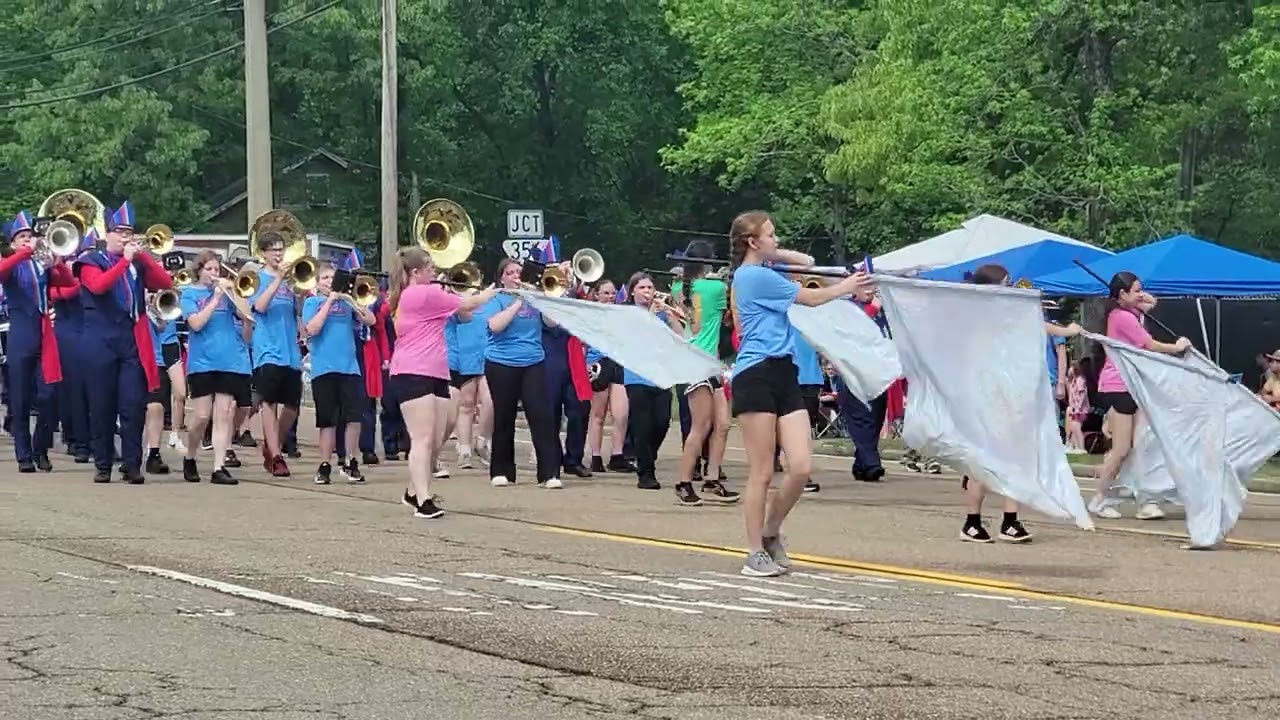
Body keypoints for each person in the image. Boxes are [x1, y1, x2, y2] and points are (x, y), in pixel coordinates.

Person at [728, 210, 873, 577]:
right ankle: (753, 552)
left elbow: (806, 262)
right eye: (771, 235)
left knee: (802, 467)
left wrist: (773, 251)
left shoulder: (766, 269)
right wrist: (847, 287)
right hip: (756, 374)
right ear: (752, 242)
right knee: (761, 471)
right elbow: (809, 299)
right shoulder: (752, 277)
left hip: (784, 371)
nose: (777, 240)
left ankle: (771, 530)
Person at [957, 264, 1081, 543]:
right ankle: (972, 522)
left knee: (1014, 458)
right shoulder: (986, 315)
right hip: (990, 395)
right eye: (1006, 282)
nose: (1012, 286)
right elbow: (1036, 326)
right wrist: (1067, 330)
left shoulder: (996, 312)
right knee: (984, 460)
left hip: (1009, 392)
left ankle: (1009, 521)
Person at [388, 247, 498, 518]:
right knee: (422, 438)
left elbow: (464, 317)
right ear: (416, 272)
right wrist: (488, 294)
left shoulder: (428, 295)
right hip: (413, 371)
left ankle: (413, 490)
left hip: (436, 371)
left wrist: (468, 297)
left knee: (436, 438)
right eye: (430, 268)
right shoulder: (419, 293)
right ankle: (423, 501)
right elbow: (468, 306)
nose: (435, 272)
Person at [75, 202, 173, 484]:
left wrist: (144, 259)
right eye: (119, 232)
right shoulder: (91, 260)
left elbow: (164, 281)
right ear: (108, 234)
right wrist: (125, 262)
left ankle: (133, 464)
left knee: (132, 405)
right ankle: (103, 463)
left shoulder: (135, 265)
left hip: (129, 340)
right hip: (99, 339)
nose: (125, 237)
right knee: (102, 405)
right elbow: (98, 286)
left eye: (129, 232)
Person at [1088, 271, 1191, 521]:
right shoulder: (1122, 317)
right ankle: (1099, 499)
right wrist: (1177, 348)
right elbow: (1149, 344)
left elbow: (1150, 304)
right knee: (1122, 448)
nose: (1141, 294)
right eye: (1136, 290)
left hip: (1128, 386)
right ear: (1122, 294)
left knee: (1133, 447)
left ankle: (1132, 496)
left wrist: (1141, 296)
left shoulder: (1126, 312)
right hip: (1118, 386)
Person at [0, 211, 72, 472]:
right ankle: (23, 454)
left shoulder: (41, 264)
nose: (28, 240)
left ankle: (41, 449)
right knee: (19, 398)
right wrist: (23, 253)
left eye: (30, 235)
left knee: (48, 395)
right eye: (22, 237)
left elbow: (69, 283)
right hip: (20, 333)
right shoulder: (13, 263)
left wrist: (58, 262)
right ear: (13, 243)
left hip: (44, 334)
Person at [484, 258, 563, 489]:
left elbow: (552, 323)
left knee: (541, 416)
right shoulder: (497, 298)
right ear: (502, 278)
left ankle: (549, 473)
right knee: (504, 417)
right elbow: (495, 326)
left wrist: (543, 300)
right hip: (501, 362)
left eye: (519, 272)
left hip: (533, 361)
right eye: (510, 273)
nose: (516, 277)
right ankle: (501, 471)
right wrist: (519, 302)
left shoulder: (536, 297)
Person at [179, 250, 253, 485]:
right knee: (201, 416)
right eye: (209, 269)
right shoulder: (189, 294)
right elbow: (197, 324)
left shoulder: (226, 294)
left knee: (224, 414)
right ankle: (190, 456)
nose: (214, 274)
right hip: (202, 362)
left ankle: (218, 467)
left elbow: (246, 317)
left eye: (217, 270)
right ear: (199, 271)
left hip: (228, 360)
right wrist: (216, 298)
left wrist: (234, 294)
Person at [672, 243, 738, 505]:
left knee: (722, 423)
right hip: (699, 362)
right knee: (701, 426)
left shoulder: (679, 288)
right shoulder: (716, 288)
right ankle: (683, 481)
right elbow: (725, 316)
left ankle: (712, 478)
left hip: (708, 362)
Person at [302, 266, 377, 485]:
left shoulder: (347, 303)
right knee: (328, 421)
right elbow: (312, 329)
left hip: (349, 368)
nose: (329, 281)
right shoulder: (312, 303)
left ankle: (351, 461)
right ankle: (325, 464)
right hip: (324, 369)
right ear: (316, 283)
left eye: (332, 278)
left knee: (354, 418)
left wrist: (351, 298)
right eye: (324, 278)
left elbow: (370, 320)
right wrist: (329, 301)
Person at [622, 272, 685, 491]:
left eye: (650, 288)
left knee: (662, 422)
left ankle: (647, 456)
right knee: (642, 425)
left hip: (661, 376)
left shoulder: (661, 313)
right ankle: (646, 474)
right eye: (642, 288)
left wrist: (671, 316)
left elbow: (681, 336)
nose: (647, 292)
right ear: (632, 291)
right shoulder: (628, 313)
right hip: (636, 376)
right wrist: (651, 313)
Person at [248, 232, 304, 477]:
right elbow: (259, 306)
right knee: (268, 404)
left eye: (281, 249)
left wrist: (300, 291)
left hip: (290, 350)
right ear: (263, 253)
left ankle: (272, 448)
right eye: (273, 250)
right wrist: (278, 279)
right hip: (267, 349)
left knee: (291, 408)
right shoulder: (256, 278)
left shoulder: (291, 281)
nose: (278, 254)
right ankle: (277, 455)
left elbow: (298, 312)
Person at [585, 279, 634, 474]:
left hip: (617, 362)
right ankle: (595, 456)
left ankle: (617, 455)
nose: (610, 297)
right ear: (597, 295)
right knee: (598, 414)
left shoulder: (620, 314)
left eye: (612, 293)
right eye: (605, 293)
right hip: (597, 362)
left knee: (621, 414)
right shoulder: (589, 314)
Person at [445, 283, 493, 469]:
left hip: (487, 356)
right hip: (465, 356)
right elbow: (465, 315)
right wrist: (459, 294)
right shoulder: (459, 305)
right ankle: (464, 449)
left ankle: (482, 440)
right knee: (466, 405)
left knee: (489, 401)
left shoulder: (489, 304)